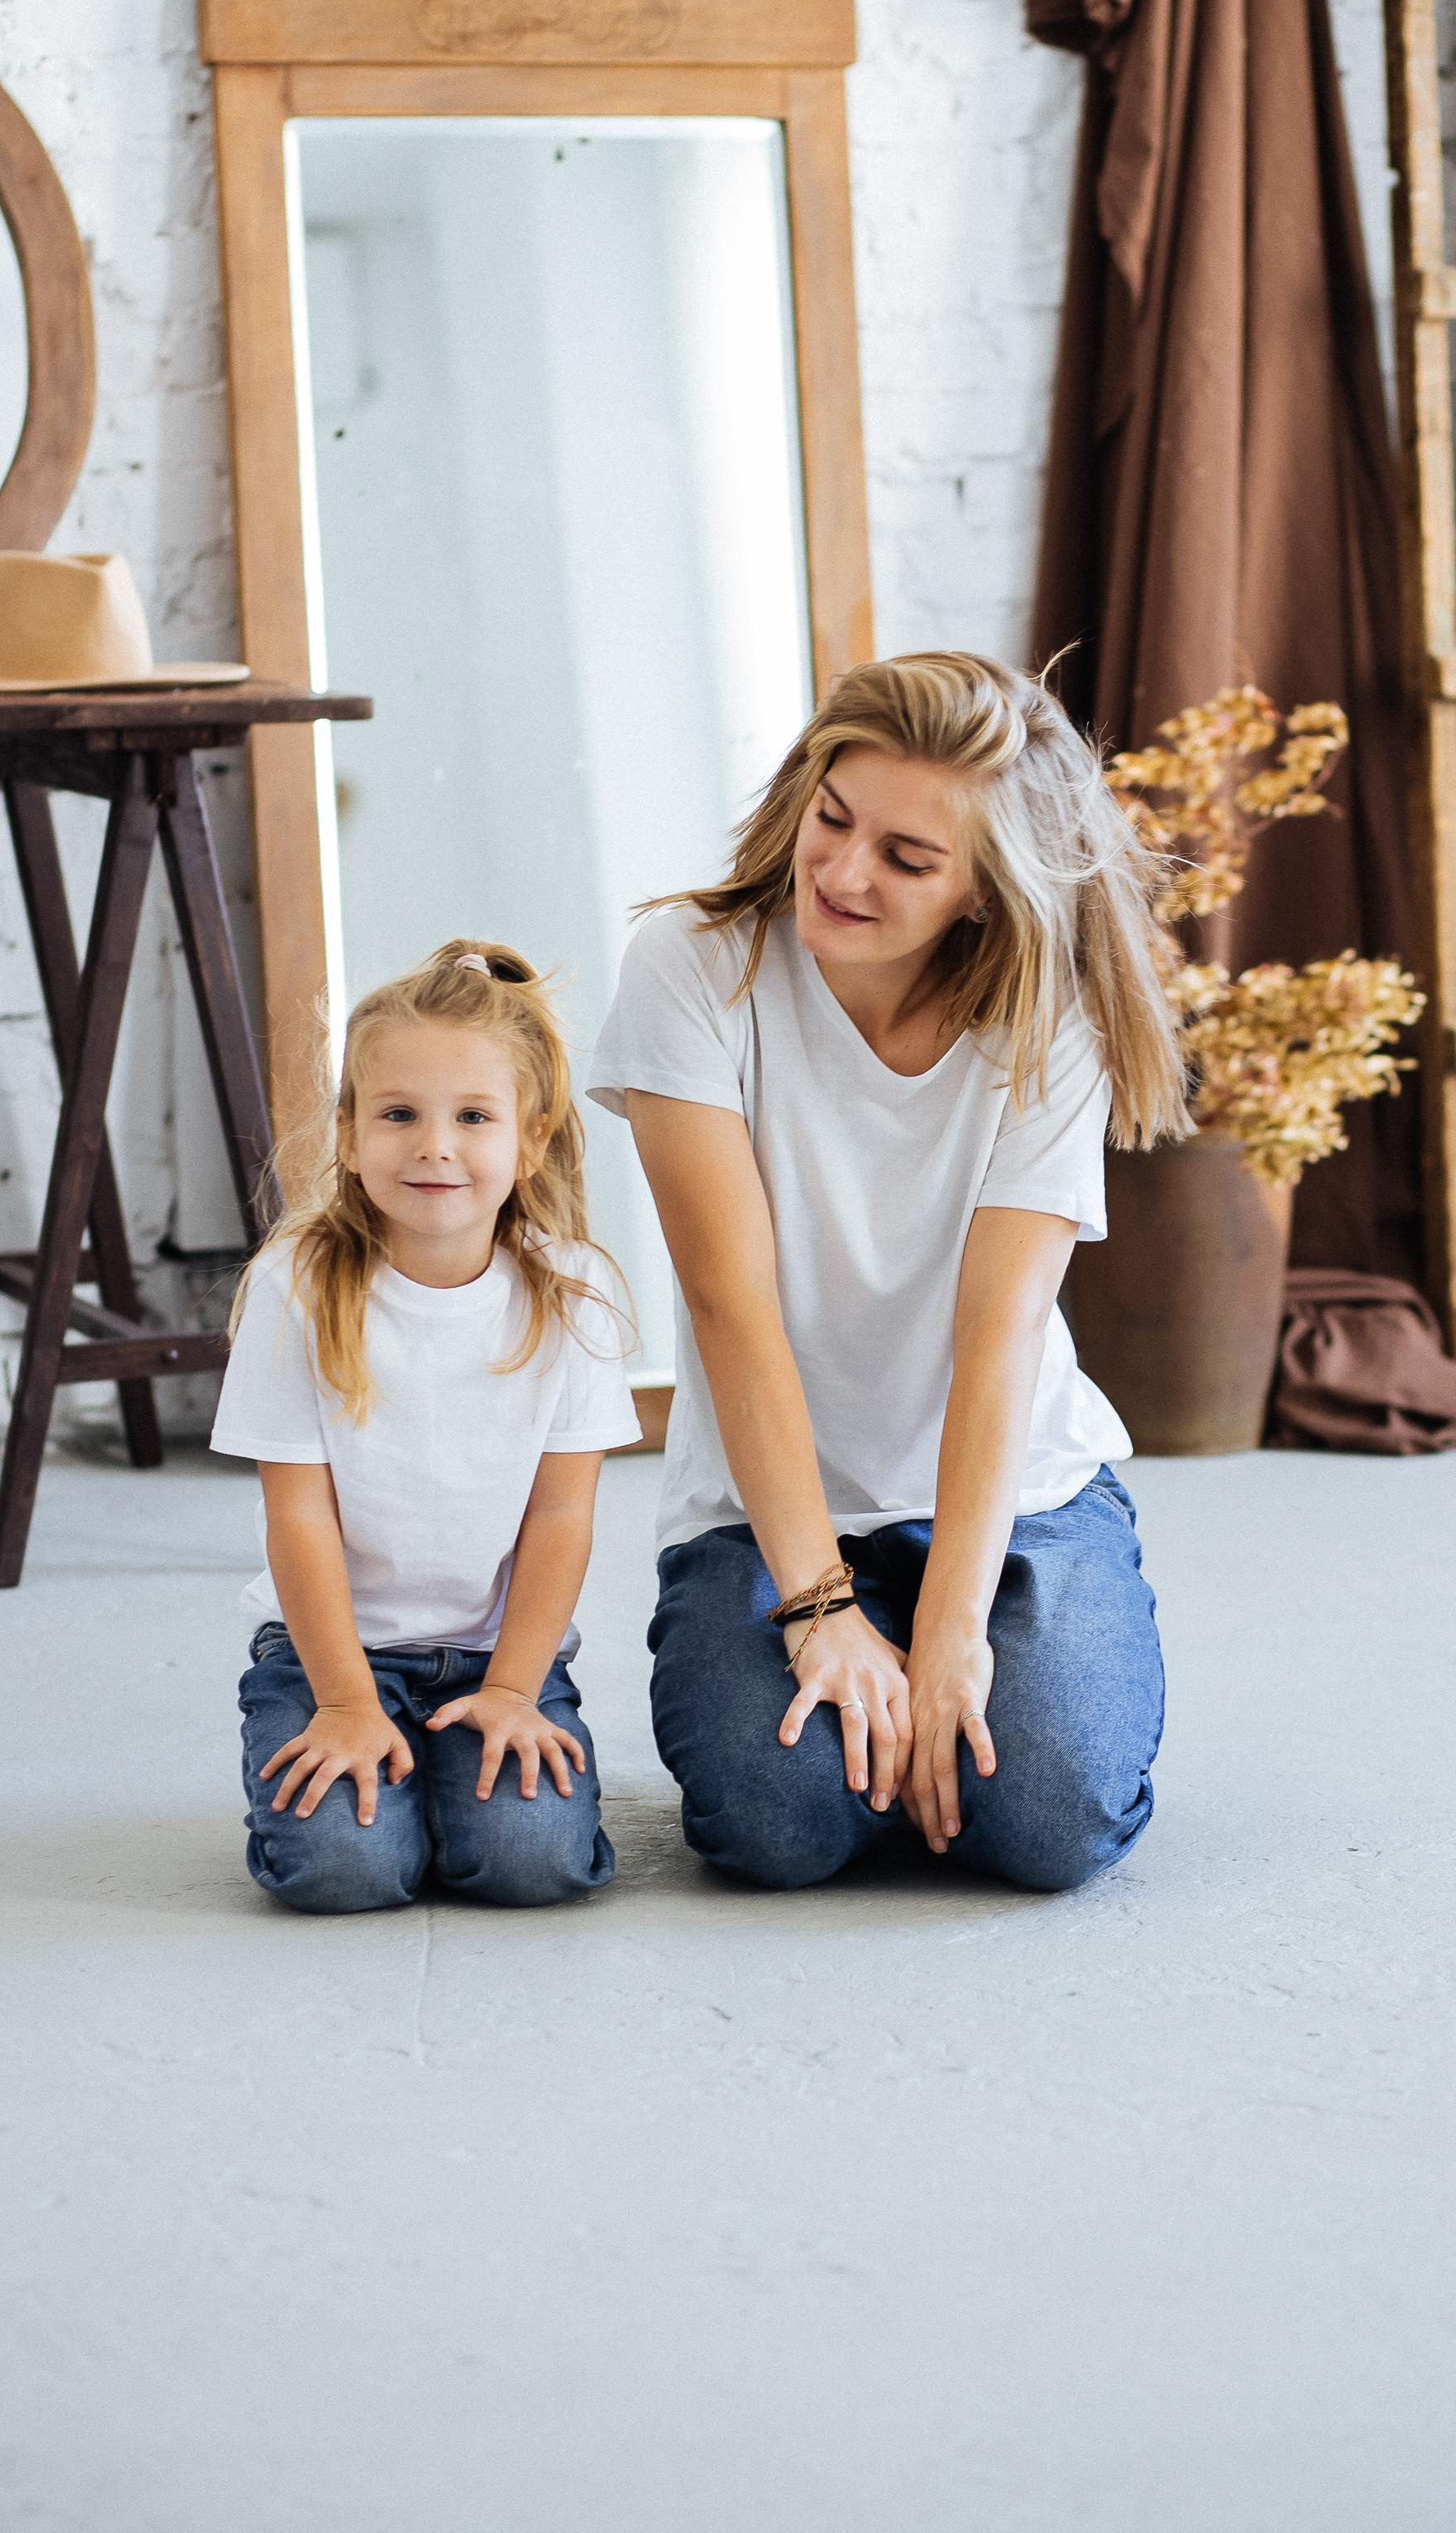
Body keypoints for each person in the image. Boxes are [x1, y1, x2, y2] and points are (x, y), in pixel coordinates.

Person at [588, 651, 1189, 1893]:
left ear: (983, 893)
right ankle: (888, 1731)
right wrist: (819, 1610)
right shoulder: (690, 967)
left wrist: (953, 1635)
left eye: (907, 859)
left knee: (1052, 1821)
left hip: (1014, 1496)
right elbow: (730, 1306)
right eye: (833, 817)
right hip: (765, 1509)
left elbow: (998, 1333)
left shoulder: (1047, 1017)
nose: (842, 872)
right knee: (777, 1825)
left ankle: (941, 1710)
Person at [212, 940, 639, 1913]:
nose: (434, 1145)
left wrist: (516, 1691)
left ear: (529, 1139)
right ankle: (397, 1786)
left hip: (499, 1652)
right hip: (329, 1653)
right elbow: (299, 1518)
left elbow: (560, 1518)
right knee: (345, 1867)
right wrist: (345, 1701)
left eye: (473, 1117)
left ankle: (448, 1789)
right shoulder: (296, 1284)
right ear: (348, 1133)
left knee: (532, 1862)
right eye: (398, 1113)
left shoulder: (573, 1292)